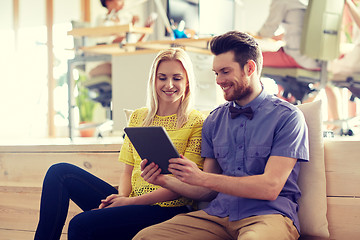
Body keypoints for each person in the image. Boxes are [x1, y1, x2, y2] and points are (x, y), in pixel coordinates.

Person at [135, 31, 309, 240]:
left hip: (268, 215)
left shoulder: (288, 118)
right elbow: (206, 192)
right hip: (217, 216)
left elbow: (270, 187)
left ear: (250, 68)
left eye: (225, 72)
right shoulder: (214, 120)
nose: (219, 80)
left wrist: (202, 178)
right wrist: (163, 180)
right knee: (146, 237)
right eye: (216, 73)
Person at [34, 48, 206, 240]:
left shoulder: (196, 122)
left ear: (187, 81)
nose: (169, 84)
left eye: (177, 78)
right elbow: (127, 171)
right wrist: (122, 197)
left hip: (168, 209)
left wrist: (129, 203)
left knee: (81, 224)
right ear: (153, 80)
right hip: (131, 199)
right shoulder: (139, 117)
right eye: (162, 77)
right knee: (59, 172)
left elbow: (186, 185)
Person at [257, 0, 319, 70]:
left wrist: (254, 34)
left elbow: (266, 32)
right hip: (316, 61)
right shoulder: (303, 3)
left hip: (298, 58)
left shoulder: (280, 1)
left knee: (251, 58)